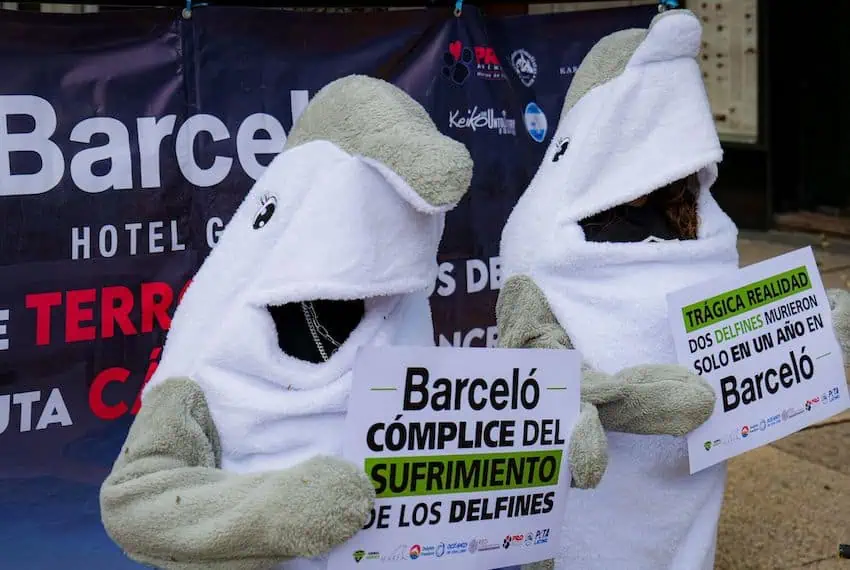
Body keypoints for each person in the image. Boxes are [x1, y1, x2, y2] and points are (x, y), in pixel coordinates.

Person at [498, 9, 850, 570]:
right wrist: (592, 406)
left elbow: (751, 347)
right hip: (593, 497)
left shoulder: (703, 228)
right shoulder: (546, 235)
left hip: (686, 493)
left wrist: (814, 343)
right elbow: (530, 355)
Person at [98, 74, 473, 570]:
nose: (371, 290)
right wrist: (270, 512)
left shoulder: (401, 307)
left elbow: (441, 444)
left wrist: (539, 460)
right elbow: (135, 503)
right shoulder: (215, 336)